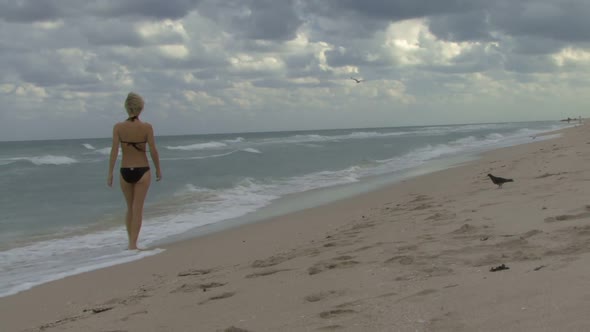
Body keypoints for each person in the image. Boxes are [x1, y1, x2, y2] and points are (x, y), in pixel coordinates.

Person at [107, 92, 162, 250]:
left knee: (129, 207)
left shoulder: (118, 127)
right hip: (142, 171)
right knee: (138, 208)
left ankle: (130, 241)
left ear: (126, 107)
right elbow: (153, 150)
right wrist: (158, 169)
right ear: (141, 108)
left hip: (125, 171)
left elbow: (114, 151)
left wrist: (110, 173)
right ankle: (133, 244)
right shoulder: (146, 127)